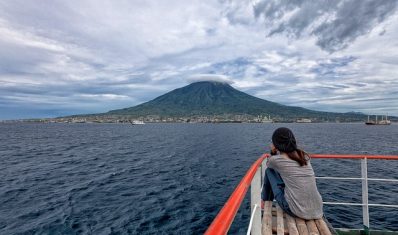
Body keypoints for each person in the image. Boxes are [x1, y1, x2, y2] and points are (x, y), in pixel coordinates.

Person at [261, 127, 323, 219]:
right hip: (318, 209)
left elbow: (269, 164)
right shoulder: (304, 155)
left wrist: (273, 151)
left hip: (297, 211)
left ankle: (265, 201)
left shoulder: (276, 160)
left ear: (276, 144)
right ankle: (265, 201)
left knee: (269, 171)